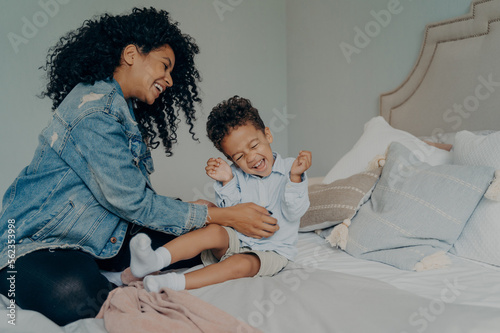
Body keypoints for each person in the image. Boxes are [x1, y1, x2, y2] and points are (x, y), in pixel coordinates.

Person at [0, 8, 279, 326]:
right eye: (165, 66)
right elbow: (133, 203)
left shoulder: (121, 109)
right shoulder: (96, 112)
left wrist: (194, 214)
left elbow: (125, 198)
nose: (170, 80)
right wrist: (221, 214)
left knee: (197, 235)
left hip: (101, 236)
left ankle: (128, 268)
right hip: (33, 240)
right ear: (131, 54)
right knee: (72, 292)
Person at [128, 96, 311, 292]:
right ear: (230, 158)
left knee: (241, 264)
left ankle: (171, 282)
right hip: (235, 239)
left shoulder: (291, 170)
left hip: (272, 251)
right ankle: (154, 260)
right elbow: (231, 215)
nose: (251, 157)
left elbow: (294, 212)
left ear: (268, 135)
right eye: (239, 156)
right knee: (212, 231)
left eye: (254, 145)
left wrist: (295, 177)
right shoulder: (237, 175)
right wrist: (227, 180)